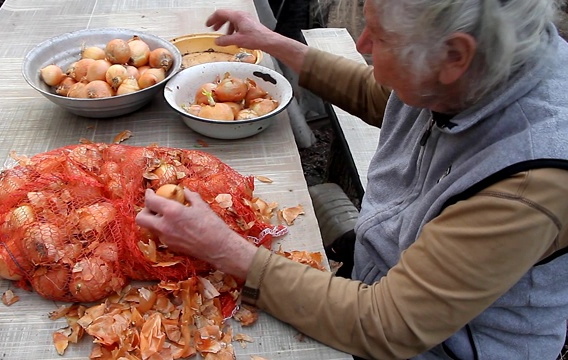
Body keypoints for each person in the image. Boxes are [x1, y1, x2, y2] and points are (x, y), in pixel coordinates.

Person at [136, 0, 568, 358]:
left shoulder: (528, 182)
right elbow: (382, 94)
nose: (361, 44)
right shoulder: (465, 72)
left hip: (446, 346)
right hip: (386, 276)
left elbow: (390, 325)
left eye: (378, 37)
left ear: (455, 55)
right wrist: (269, 42)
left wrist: (224, 249)